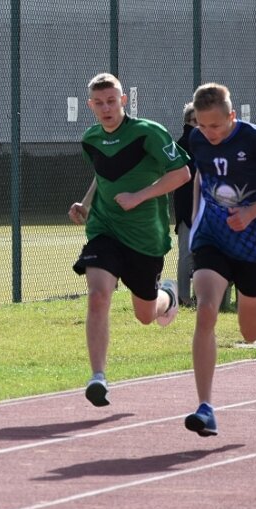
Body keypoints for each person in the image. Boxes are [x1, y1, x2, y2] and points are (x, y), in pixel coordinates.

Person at [68, 73, 191, 408]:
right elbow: (103, 174)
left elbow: (181, 174)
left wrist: (140, 196)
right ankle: (98, 377)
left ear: (123, 101)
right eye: (99, 103)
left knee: (145, 315)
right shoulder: (90, 138)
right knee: (97, 295)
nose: (106, 108)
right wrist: (86, 203)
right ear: (90, 106)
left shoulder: (148, 132)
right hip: (104, 230)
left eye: (112, 101)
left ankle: (167, 296)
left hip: (145, 238)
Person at [184, 82, 256, 437]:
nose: (209, 133)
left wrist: (251, 213)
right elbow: (200, 178)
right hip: (213, 238)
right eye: (202, 125)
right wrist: (194, 224)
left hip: (255, 244)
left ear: (232, 116)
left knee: (250, 334)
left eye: (216, 125)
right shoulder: (197, 140)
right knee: (206, 310)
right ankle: (205, 407)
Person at [173, 102, 198, 307]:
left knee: (199, 253)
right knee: (187, 254)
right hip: (188, 207)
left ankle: (196, 294)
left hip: (201, 208)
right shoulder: (185, 143)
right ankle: (183, 296)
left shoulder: (206, 142)